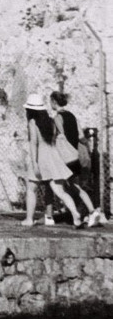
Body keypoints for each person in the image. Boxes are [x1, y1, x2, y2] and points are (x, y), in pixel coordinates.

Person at [22, 96, 83, 227]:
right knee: (60, 191)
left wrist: (34, 164)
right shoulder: (50, 121)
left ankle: (28, 219)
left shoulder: (32, 122)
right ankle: (75, 213)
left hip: (41, 157)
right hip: (53, 157)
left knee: (31, 189)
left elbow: (34, 144)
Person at [50, 90, 105, 225]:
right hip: (74, 156)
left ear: (54, 102)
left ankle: (73, 214)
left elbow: (59, 137)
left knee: (57, 187)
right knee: (76, 187)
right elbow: (80, 136)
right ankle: (92, 212)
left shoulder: (57, 117)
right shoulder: (72, 116)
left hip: (64, 157)